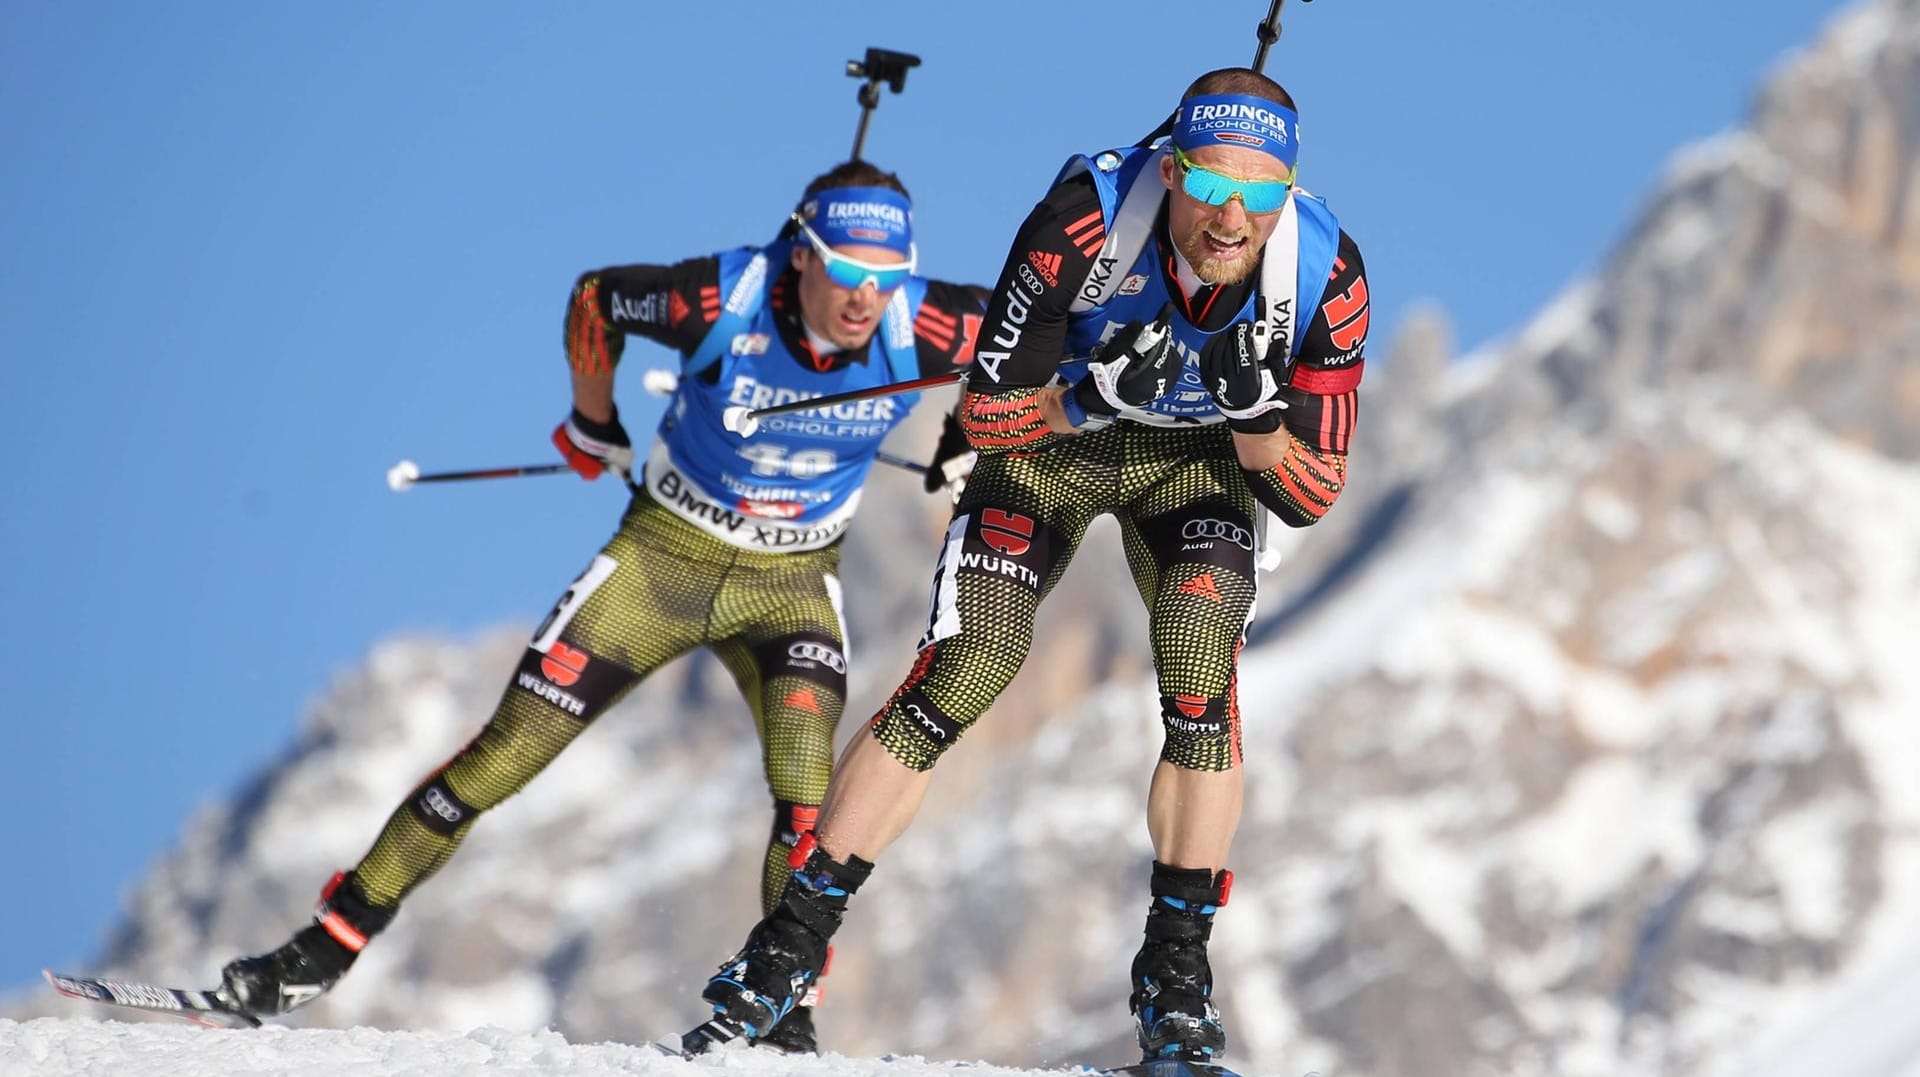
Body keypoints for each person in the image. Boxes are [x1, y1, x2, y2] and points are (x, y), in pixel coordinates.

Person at [216, 159, 988, 1056]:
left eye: (887, 278)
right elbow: (597, 299)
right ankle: (319, 950)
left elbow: (1022, 342)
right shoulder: (725, 296)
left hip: (790, 583)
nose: (867, 301)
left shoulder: (926, 320)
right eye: (848, 274)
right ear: (802, 256)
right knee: (499, 760)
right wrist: (594, 420)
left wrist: (966, 435)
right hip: (663, 562)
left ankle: (788, 1013)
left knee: (810, 798)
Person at [687, 67, 1371, 1068]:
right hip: (1055, 450)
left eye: (1261, 195)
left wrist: (1260, 422)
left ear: (1290, 192)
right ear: (1169, 171)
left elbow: (1311, 492)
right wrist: (1081, 402)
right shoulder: (1083, 229)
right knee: (970, 663)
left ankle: (1176, 987)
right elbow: (981, 415)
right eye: (1211, 186)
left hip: (1197, 464)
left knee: (1199, 655)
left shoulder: (1323, 274)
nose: (1232, 219)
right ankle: (783, 952)